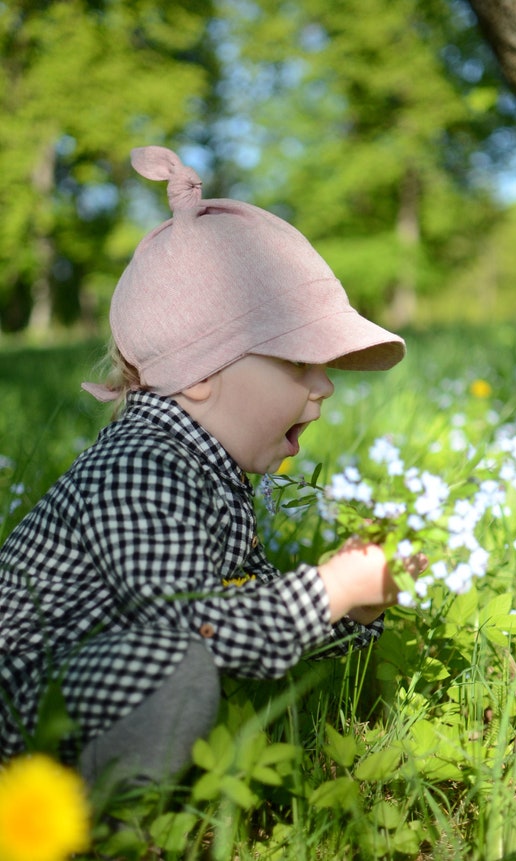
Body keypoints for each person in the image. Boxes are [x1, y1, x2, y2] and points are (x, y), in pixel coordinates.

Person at [0, 146, 425, 786]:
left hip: (76, 691)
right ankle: (94, 822)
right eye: (300, 362)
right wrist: (330, 588)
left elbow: (252, 622)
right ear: (199, 375)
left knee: (188, 659)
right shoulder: (140, 467)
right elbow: (203, 628)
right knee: (181, 660)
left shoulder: (210, 474)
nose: (326, 387)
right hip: (21, 704)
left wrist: (354, 611)